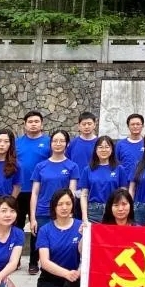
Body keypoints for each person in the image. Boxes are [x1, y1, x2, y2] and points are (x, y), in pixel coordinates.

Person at [36, 189, 83, 287]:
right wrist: (66, 273)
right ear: (54, 207)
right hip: (49, 280)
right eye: (60, 204)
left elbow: (86, 254)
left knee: (75, 279)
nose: (64, 207)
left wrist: (84, 237)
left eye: (68, 203)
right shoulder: (45, 230)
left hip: (73, 277)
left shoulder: (81, 227)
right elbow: (44, 262)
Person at [29, 129, 79, 268]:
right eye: (55, 141)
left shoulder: (72, 166)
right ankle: (35, 265)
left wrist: (70, 212)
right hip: (43, 211)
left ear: (67, 144)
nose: (58, 144)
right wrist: (32, 217)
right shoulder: (40, 166)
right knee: (41, 243)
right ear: (50, 143)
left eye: (62, 141)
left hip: (63, 211)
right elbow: (35, 193)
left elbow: (72, 192)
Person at [15, 110, 51, 272]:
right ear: (24, 124)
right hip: (19, 190)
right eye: (30, 122)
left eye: (37, 121)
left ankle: (34, 262)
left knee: (37, 227)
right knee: (16, 226)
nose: (33, 124)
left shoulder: (49, 142)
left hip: (40, 192)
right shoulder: (17, 143)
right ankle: (14, 260)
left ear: (42, 124)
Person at [79, 135, 127, 224]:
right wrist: (84, 217)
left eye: (107, 147)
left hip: (113, 210)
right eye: (100, 147)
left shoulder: (119, 169)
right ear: (95, 150)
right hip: (93, 211)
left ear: (112, 149)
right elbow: (84, 195)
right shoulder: (88, 170)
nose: (104, 150)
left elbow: (124, 194)